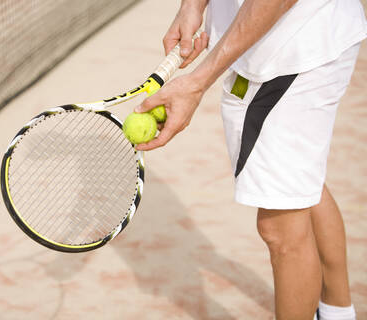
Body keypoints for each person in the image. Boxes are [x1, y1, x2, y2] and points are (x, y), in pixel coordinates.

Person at [134, 0, 367, 319]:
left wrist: (198, 82)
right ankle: (338, 311)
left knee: (280, 229)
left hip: (291, 51)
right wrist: (192, 5)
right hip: (288, 41)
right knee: (300, 182)